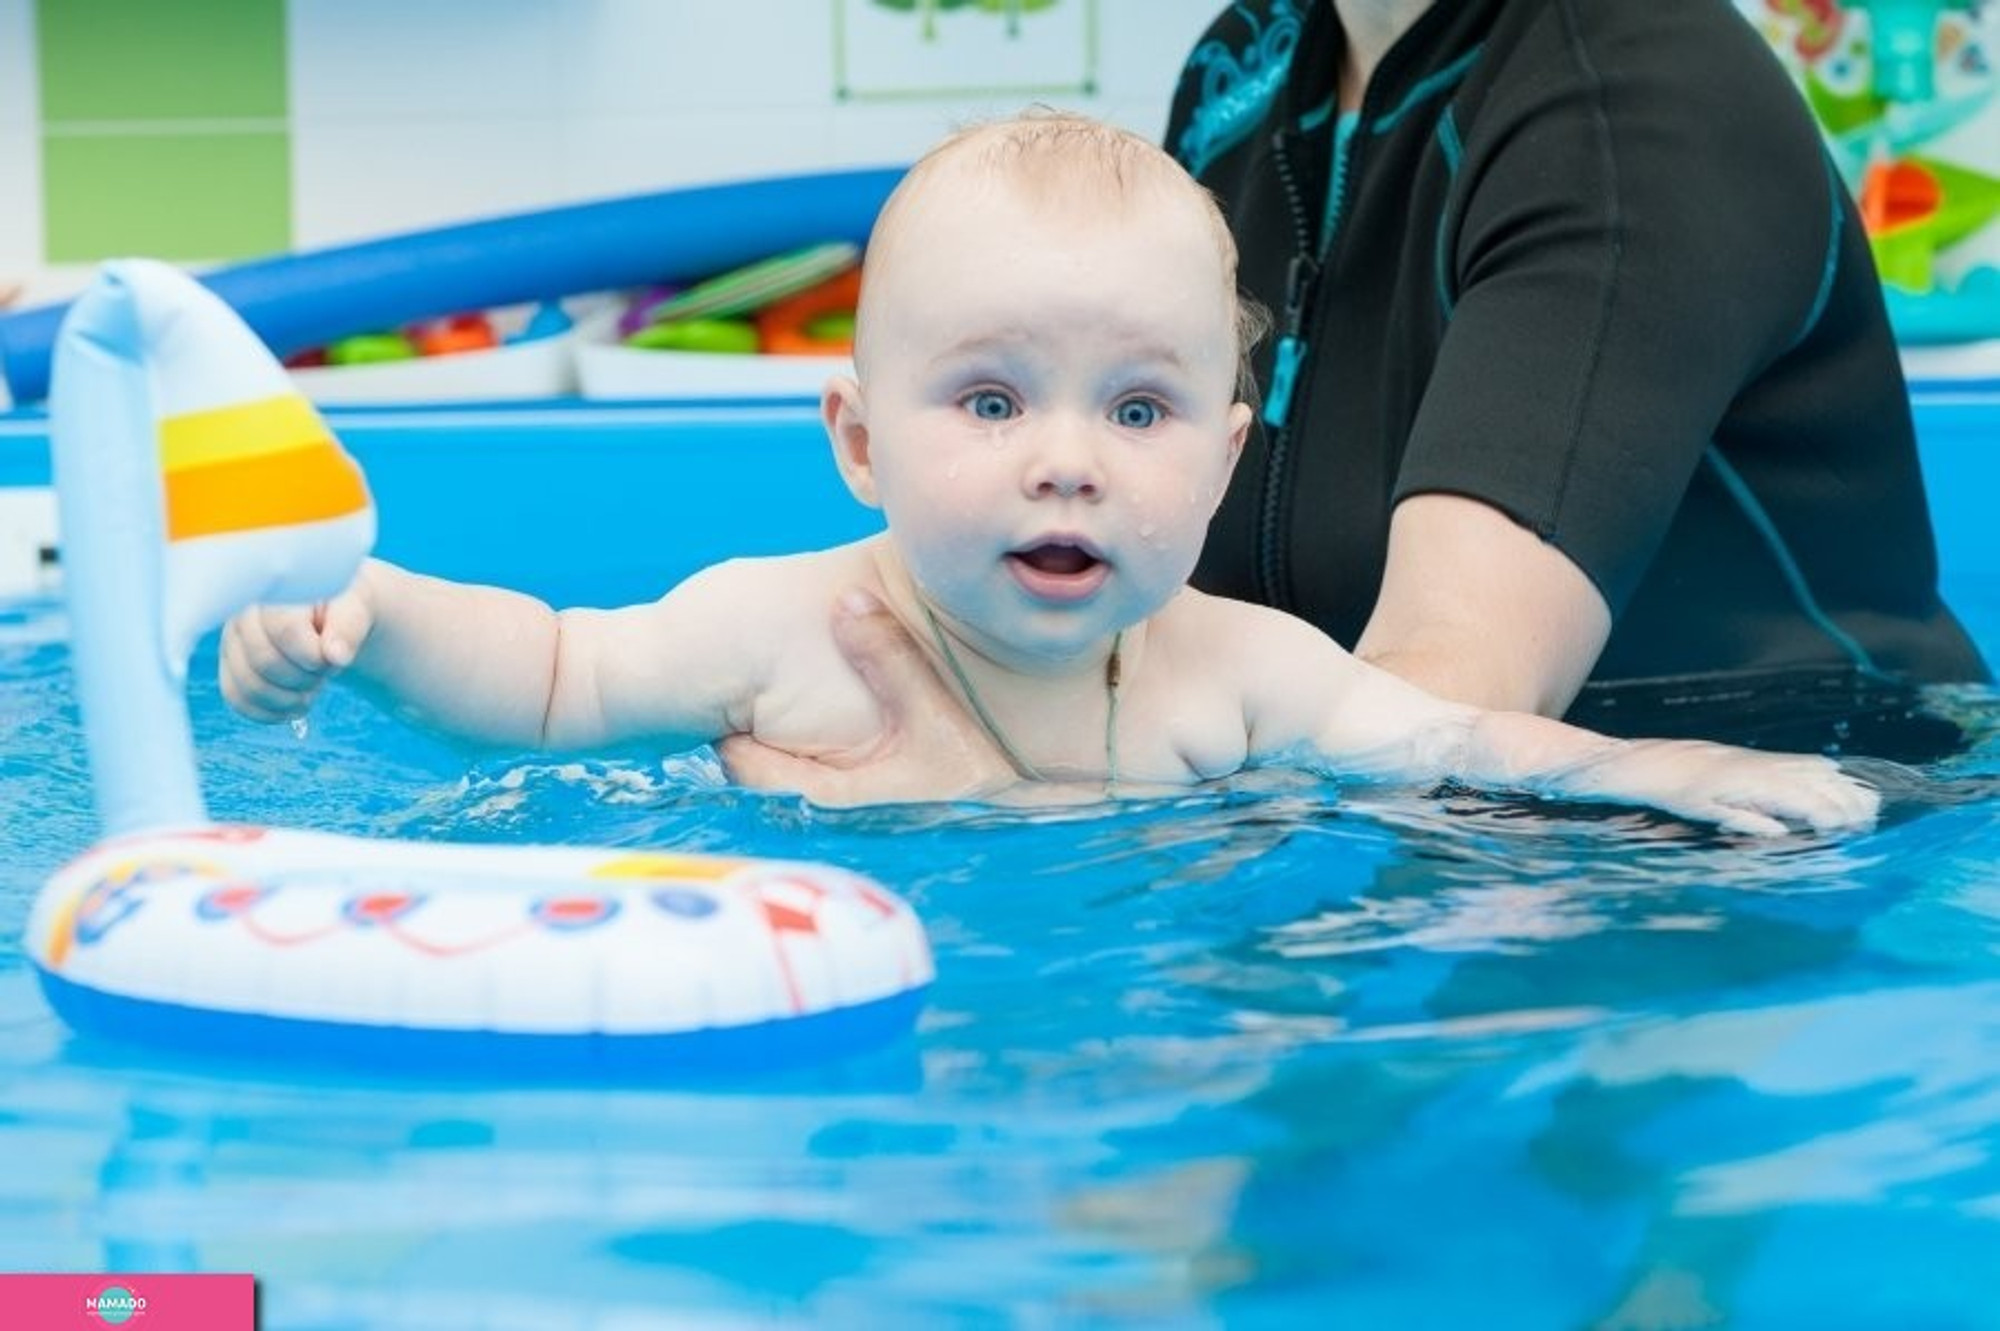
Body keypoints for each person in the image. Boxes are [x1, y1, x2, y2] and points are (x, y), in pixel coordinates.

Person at [221, 112, 1876, 836]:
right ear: (859, 444)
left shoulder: (1244, 676)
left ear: (1227, 464)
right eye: (994, 403)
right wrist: (363, 610)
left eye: (1141, 414)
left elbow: (1456, 738)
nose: (1069, 464)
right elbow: (557, 674)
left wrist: (1656, 773)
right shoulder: (778, 631)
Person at [721, 0, 1991, 805]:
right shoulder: (1246, 64)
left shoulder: (1631, 95)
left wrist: (1013, 780)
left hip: (1766, 832)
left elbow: (1449, 698)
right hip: (1395, 804)